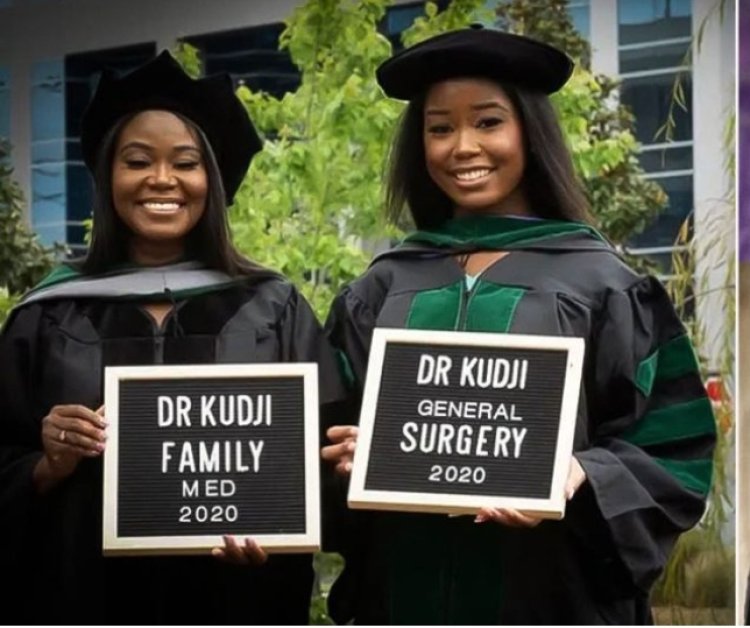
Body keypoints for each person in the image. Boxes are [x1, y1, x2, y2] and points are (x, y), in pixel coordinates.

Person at [321, 27, 716, 625]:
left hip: (552, 598)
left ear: (530, 132)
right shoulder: (380, 288)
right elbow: (320, 447)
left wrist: (584, 471)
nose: (462, 146)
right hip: (403, 598)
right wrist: (348, 453)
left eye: (487, 122)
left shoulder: (604, 284)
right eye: (439, 127)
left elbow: (675, 452)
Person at [0, 51, 343, 624]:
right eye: (137, 161)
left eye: (185, 163)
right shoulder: (47, 314)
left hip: (232, 600)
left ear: (212, 180)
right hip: (81, 600)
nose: (161, 180)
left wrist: (278, 522)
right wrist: (45, 464)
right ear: (109, 177)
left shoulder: (273, 306)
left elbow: (327, 461)